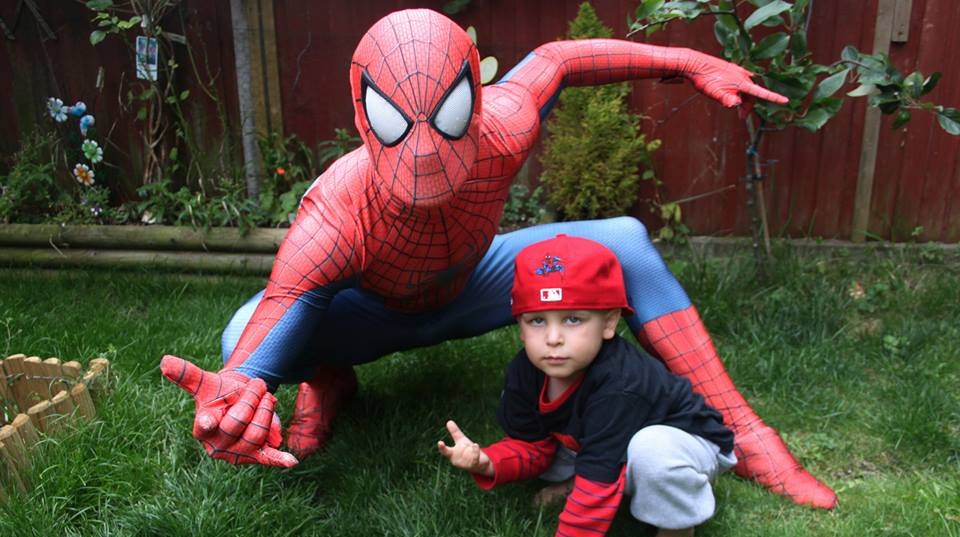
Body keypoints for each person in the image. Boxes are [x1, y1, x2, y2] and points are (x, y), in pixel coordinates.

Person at [159, 8, 837, 508]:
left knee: (623, 240)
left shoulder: (504, 125)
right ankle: (328, 378)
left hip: (477, 279)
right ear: (368, 120)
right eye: (399, 125)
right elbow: (284, 300)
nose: (424, 153)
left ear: (474, 100)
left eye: (449, 114)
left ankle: (743, 431)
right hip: (371, 312)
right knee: (239, 331)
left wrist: (686, 62)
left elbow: (560, 60)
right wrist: (239, 386)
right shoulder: (335, 210)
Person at [438, 234, 736, 537]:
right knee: (556, 459)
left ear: (608, 323)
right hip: (599, 442)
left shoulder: (620, 382)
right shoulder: (525, 371)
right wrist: (488, 461)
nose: (553, 338)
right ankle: (575, 482)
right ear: (520, 327)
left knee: (651, 456)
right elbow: (532, 445)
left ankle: (677, 526)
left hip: (684, 441)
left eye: (572, 319)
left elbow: (599, 482)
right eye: (537, 321)